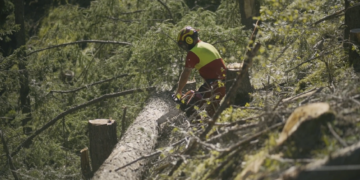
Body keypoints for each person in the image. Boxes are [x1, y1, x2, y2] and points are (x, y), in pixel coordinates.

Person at [173, 26, 226, 118]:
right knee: (212, 109)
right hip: (225, 82)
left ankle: (198, 131)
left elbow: (186, 73)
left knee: (190, 108)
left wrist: (179, 90)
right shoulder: (207, 45)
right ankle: (217, 128)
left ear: (189, 40)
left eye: (184, 45)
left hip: (213, 84)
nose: (185, 48)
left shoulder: (193, 52)